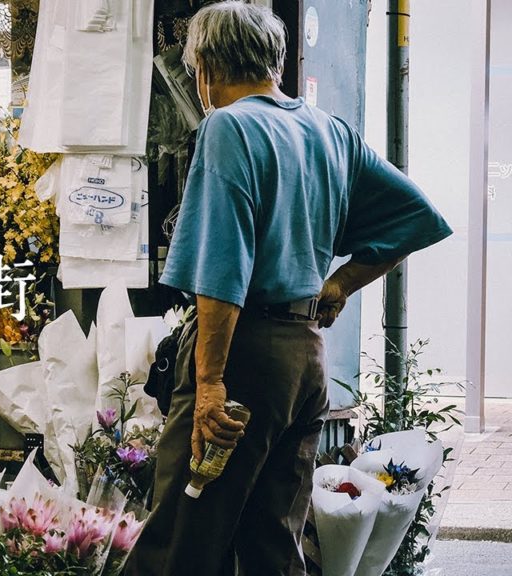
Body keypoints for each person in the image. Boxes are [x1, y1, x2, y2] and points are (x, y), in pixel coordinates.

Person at [126, 2, 452, 575]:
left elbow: (222, 271)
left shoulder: (228, 126)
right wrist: (341, 283)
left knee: (183, 537)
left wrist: (207, 386)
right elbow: (417, 216)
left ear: (204, 66)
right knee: (274, 540)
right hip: (306, 360)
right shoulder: (329, 130)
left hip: (244, 354)